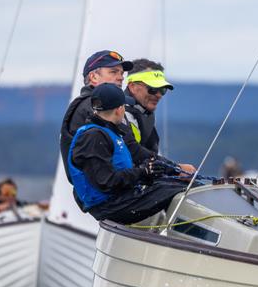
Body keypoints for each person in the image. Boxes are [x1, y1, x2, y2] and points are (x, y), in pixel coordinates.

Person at [67, 84, 186, 224]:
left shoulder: (110, 131)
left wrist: (154, 172)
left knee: (173, 184)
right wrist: (143, 172)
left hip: (120, 199)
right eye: (124, 106)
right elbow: (106, 182)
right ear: (119, 110)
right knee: (182, 190)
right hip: (110, 207)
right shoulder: (93, 138)